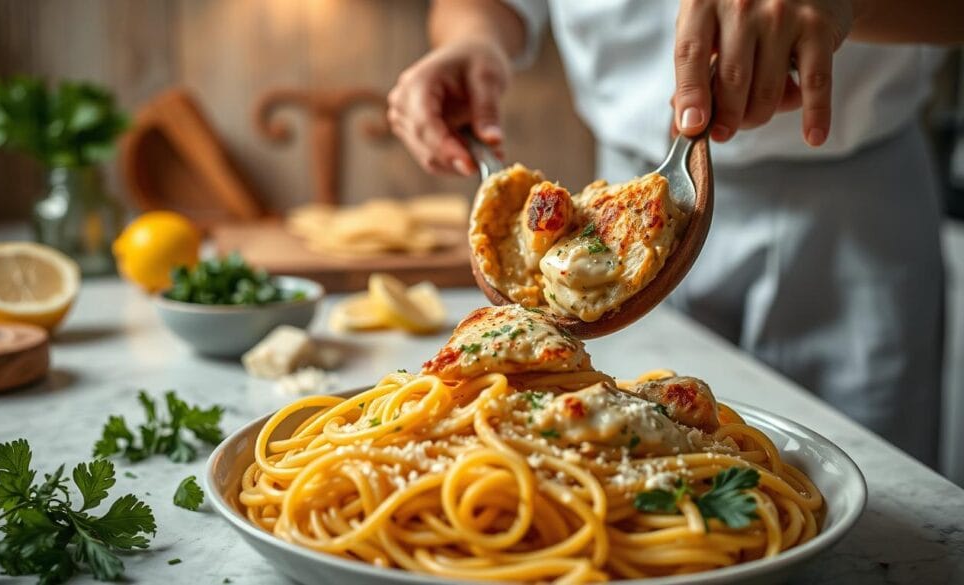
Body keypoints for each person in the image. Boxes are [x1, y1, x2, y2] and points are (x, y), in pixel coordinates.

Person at [387, 0, 964, 467]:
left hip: (855, 196)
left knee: (875, 485)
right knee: (636, 445)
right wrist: (472, 40)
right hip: (634, 195)